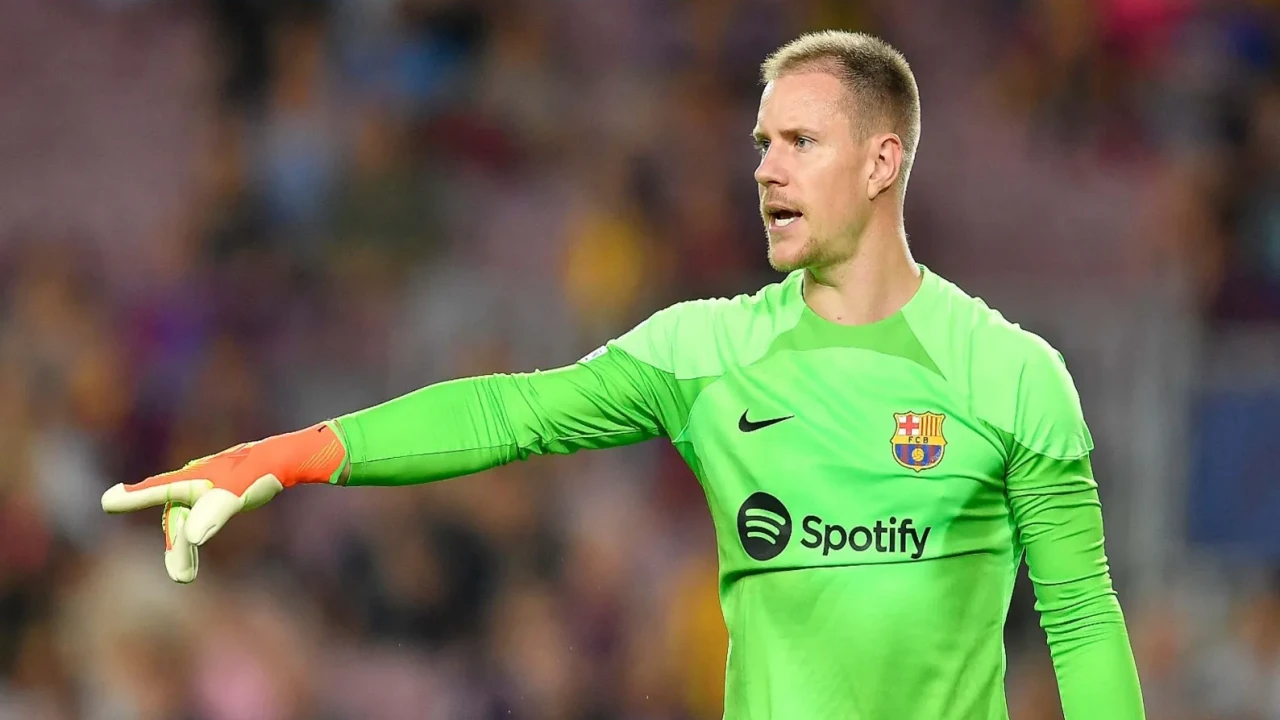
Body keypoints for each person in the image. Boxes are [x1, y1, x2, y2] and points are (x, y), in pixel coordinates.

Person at [102, 30, 1146, 719]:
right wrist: (285, 456)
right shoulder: (705, 352)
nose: (765, 168)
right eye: (761, 143)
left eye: (801, 141)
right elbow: (511, 412)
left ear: (882, 162)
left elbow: (1082, 620)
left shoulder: (1010, 374)